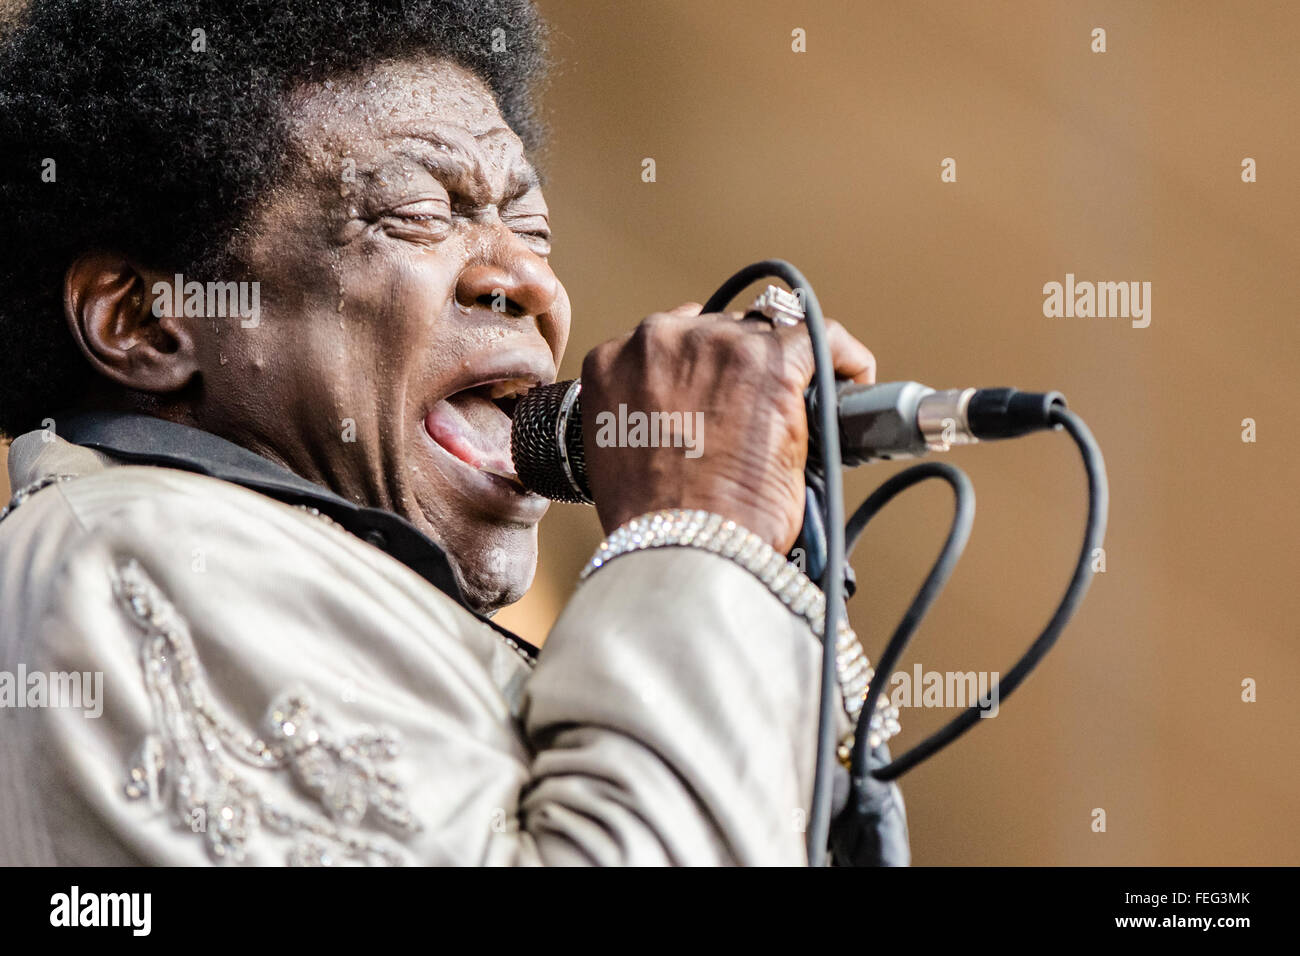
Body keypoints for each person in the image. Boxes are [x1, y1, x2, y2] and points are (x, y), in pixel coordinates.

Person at [0, 0, 906, 865]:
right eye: (418, 215)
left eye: (534, 228)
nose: (531, 283)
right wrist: (703, 533)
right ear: (147, 322)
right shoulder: (134, 550)